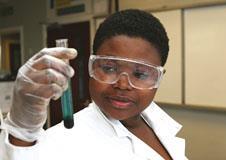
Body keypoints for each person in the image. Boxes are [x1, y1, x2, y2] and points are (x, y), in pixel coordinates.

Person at [0, 9, 187, 160]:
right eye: (109, 68)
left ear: (158, 78)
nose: (122, 84)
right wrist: (22, 132)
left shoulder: (155, 121)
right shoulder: (65, 141)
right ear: (91, 65)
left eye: (139, 73)